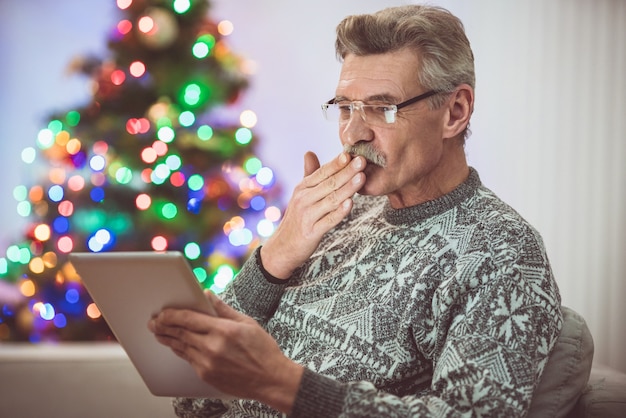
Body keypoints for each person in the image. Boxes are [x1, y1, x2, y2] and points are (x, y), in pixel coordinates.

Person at [148, 4, 562, 417]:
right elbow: (193, 398)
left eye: (382, 108)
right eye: (345, 107)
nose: (353, 133)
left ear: (455, 112)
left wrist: (281, 383)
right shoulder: (335, 213)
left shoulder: (503, 252)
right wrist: (275, 257)